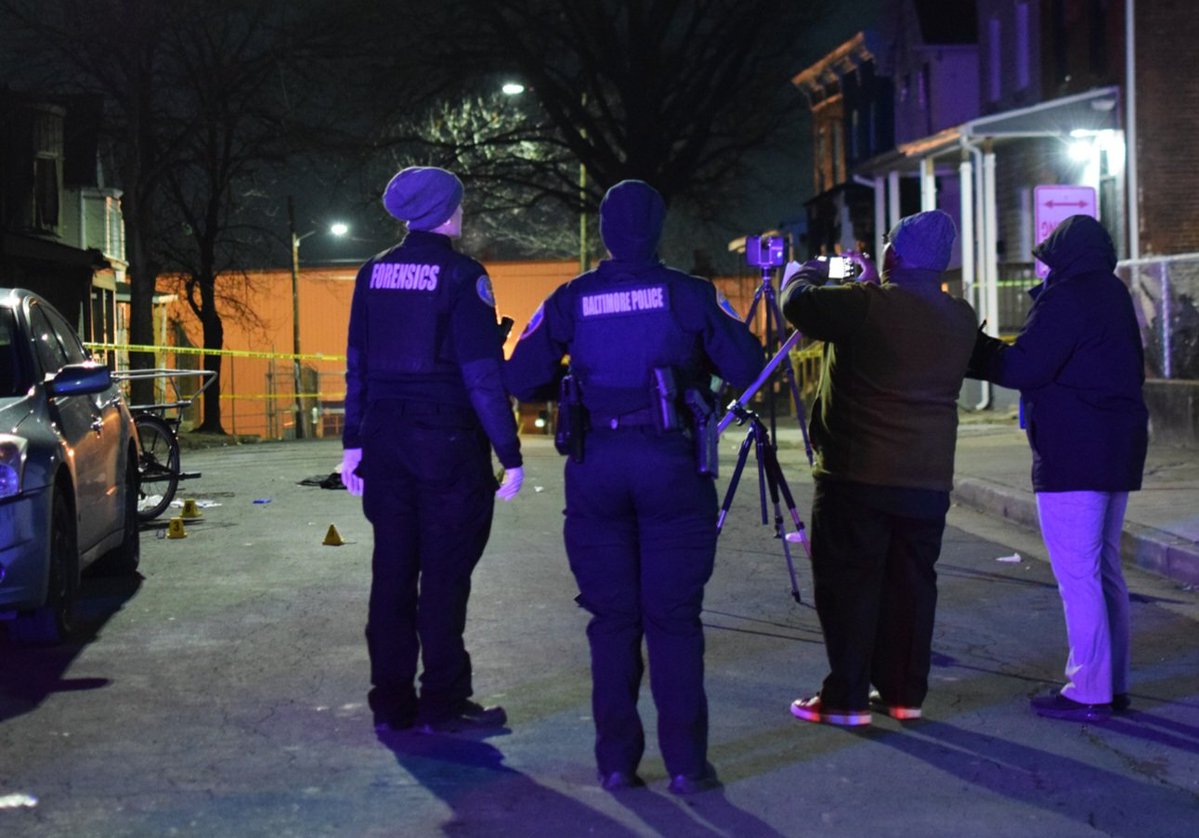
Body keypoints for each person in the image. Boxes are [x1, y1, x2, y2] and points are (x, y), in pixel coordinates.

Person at [505, 180, 763, 794]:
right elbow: (750, 367)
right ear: (658, 229)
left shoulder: (571, 298)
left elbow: (521, 375)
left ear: (603, 229)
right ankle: (685, 766)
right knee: (673, 620)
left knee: (613, 620)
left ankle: (617, 764)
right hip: (671, 464)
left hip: (597, 466)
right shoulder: (690, 294)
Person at [341, 166, 524, 734]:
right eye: (460, 205)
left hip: (386, 442)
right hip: (446, 447)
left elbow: (357, 365)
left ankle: (391, 702)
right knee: (444, 577)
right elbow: (481, 374)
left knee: (392, 571)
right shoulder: (462, 275)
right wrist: (509, 451)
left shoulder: (372, 274)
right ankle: (443, 702)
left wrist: (352, 445)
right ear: (447, 212)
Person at [779, 209, 978, 726]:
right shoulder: (958, 316)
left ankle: (844, 698)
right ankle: (903, 694)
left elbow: (796, 305)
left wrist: (817, 269)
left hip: (856, 475)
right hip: (927, 481)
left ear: (892, 254)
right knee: (912, 588)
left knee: (849, 587)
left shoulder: (864, 306)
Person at [969, 214, 1148, 723]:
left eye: (1047, 257)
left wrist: (974, 349)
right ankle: (1113, 682)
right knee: (1105, 569)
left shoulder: (1068, 297)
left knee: (1079, 575)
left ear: (1064, 256)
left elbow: (1026, 365)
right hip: (1116, 449)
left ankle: (1088, 687)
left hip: (1075, 451)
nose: (1041, 266)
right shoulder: (1112, 293)